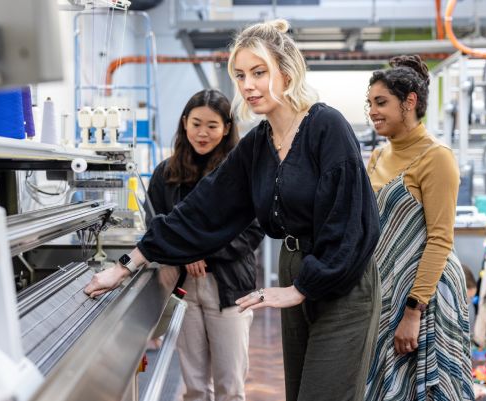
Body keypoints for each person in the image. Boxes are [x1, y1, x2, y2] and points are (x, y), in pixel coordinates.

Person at [86, 19, 381, 401]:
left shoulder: (326, 127)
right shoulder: (259, 144)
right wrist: (127, 263)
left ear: (287, 73)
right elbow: (202, 208)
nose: (247, 85)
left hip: (342, 278)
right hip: (298, 269)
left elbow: (354, 223)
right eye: (240, 75)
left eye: (259, 72)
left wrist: (303, 287)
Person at [363, 55, 473, 401]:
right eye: (370, 103)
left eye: (381, 102)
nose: (372, 111)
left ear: (409, 102)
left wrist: (413, 311)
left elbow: (440, 239)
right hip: (385, 290)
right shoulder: (378, 157)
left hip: (426, 297)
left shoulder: (437, 157)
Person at [146, 89, 264, 401]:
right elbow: (155, 224)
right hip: (183, 287)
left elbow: (253, 229)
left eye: (212, 126)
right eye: (196, 123)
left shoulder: (242, 171)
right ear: (184, 123)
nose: (202, 132)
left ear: (226, 128)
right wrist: (183, 256)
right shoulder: (165, 174)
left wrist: (201, 252)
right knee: (195, 386)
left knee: (230, 386)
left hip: (228, 286)